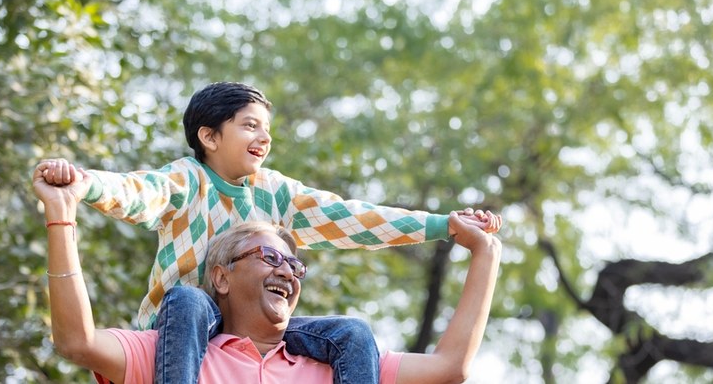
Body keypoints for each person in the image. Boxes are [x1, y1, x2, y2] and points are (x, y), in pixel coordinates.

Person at [36, 81, 501, 383]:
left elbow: (352, 218)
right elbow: (134, 192)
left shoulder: (276, 192)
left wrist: (443, 225)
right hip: (186, 333)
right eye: (249, 126)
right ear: (209, 136)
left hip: (247, 324)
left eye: (267, 129)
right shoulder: (185, 181)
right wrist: (83, 184)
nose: (264, 137)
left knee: (351, 333)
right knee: (189, 299)